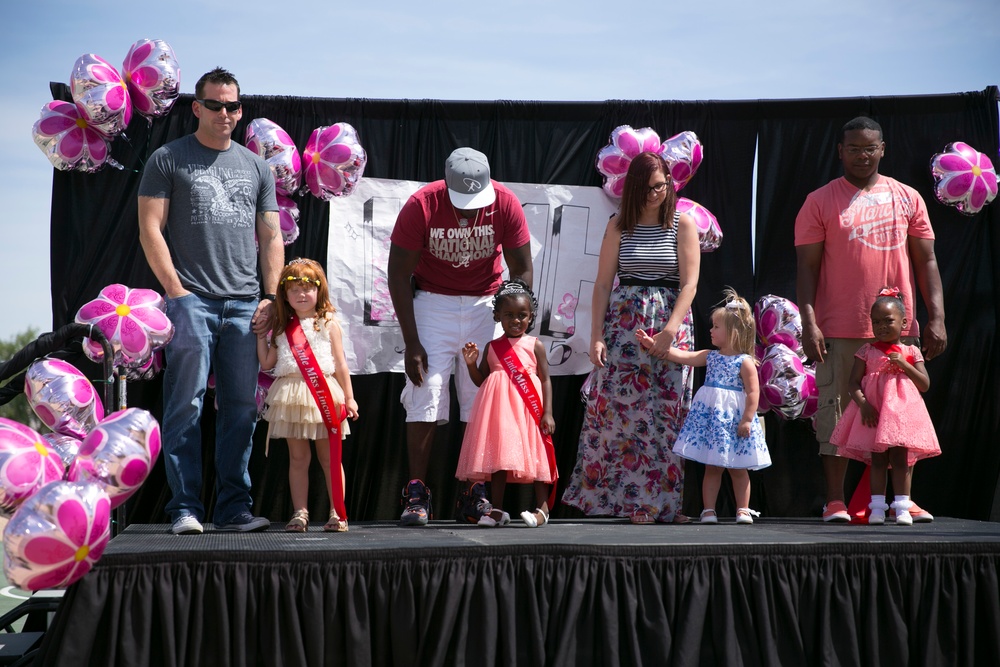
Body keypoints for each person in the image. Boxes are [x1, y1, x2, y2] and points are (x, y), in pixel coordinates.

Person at [138, 67, 283, 535]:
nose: (226, 114)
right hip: (192, 301)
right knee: (186, 406)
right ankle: (184, 508)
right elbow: (149, 228)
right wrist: (177, 293)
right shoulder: (168, 158)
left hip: (245, 305)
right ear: (196, 107)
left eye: (234, 106)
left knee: (242, 407)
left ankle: (234, 509)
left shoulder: (257, 165)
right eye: (216, 105)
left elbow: (272, 234)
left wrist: (270, 297)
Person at [795, 116, 946, 523]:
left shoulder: (908, 197)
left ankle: (902, 501)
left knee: (902, 419)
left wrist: (937, 318)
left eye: (869, 148)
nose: (862, 155)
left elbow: (926, 259)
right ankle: (835, 502)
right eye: (854, 148)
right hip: (839, 328)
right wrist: (809, 322)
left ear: (882, 150)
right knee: (836, 410)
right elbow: (806, 269)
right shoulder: (820, 201)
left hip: (901, 332)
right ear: (840, 152)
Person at [387, 147, 533, 526]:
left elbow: (522, 268)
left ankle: (475, 493)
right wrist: (413, 340)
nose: (470, 208)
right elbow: (398, 273)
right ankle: (417, 493)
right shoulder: (422, 204)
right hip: (433, 303)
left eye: (476, 199)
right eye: (463, 199)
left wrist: (506, 328)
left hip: (487, 303)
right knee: (425, 390)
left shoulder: (504, 202)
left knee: (481, 396)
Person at [561, 151, 700, 525]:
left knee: (667, 415)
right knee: (622, 417)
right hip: (623, 327)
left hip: (671, 323)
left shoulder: (682, 223)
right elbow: (604, 282)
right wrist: (595, 337)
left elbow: (690, 284)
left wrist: (670, 330)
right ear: (633, 188)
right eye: (648, 187)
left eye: (662, 185)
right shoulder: (619, 224)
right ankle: (630, 502)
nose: (656, 193)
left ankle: (664, 505)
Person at [639, 288, 770, 524]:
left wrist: (748, 419)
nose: (710, 330)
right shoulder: (710, 356)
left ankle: (743, 508)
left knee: (738, 469)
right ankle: (708, 510)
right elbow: (682, 356)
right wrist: (654, 345)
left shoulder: (745, 362)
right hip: (713, 423)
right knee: (712, 467)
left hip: (734, 422)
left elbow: (753, 392)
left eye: (716, 327)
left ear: (733, 332)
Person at [257, 259, 359, 532]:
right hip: (291, 395)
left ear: (319, 291)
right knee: (298, 459)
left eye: (307, 288)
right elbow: (267, 363)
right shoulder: (281, 326)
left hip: (324, 393)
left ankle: (338, 513)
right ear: (285, 295)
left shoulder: (328, 322)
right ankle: (300, 512)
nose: (302, 295)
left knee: (330, 459)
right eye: (295, 290)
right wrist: (260, 336)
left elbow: (340, 363)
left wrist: (349, 398)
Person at [829, 288, 941, 525]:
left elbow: (924, 384)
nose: (881, 326)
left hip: (902, 416)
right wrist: (864, 405)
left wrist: (905, 364)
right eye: (876, 322)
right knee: (878, 459)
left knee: (901, 460)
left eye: (887, 321)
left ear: (903, 322)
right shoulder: (867, 351)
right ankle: (877, 508)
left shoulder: (911, 351)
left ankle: (901, 507)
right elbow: (853, 384)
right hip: (875, 413)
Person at [455, 279, 557, 528]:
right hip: (500, 413)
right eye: (509, 315)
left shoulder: (536, 345)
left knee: (535, 457)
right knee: (499, 458)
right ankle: (497, 510)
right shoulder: (492, 347)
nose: (516, 320)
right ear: (497, 315)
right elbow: (482, 380)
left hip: (527, 410)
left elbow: (545, 380)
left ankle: (542, 509)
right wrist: (470, 363)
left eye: (522, 315)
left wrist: (548, 413)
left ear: (531, 317)